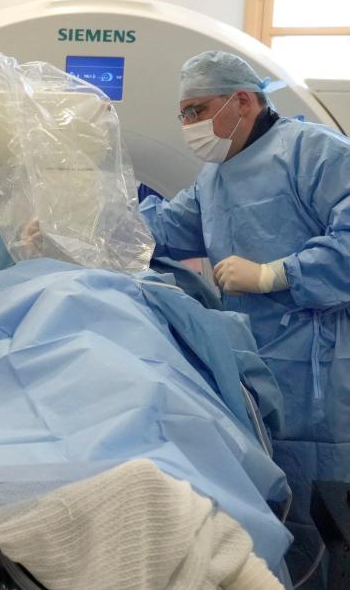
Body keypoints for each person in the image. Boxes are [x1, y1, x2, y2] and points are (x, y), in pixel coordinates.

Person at [140, 50, 350, 588]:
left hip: (320, 373)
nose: (189, 126)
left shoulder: (313, 152)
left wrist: (275, 275)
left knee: (327, 512)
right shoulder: (215, 178)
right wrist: (83, 224)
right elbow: (161, 229)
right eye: (182, 115)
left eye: (197, 109)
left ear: (243, 100)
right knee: (275, 510)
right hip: (255, 375)